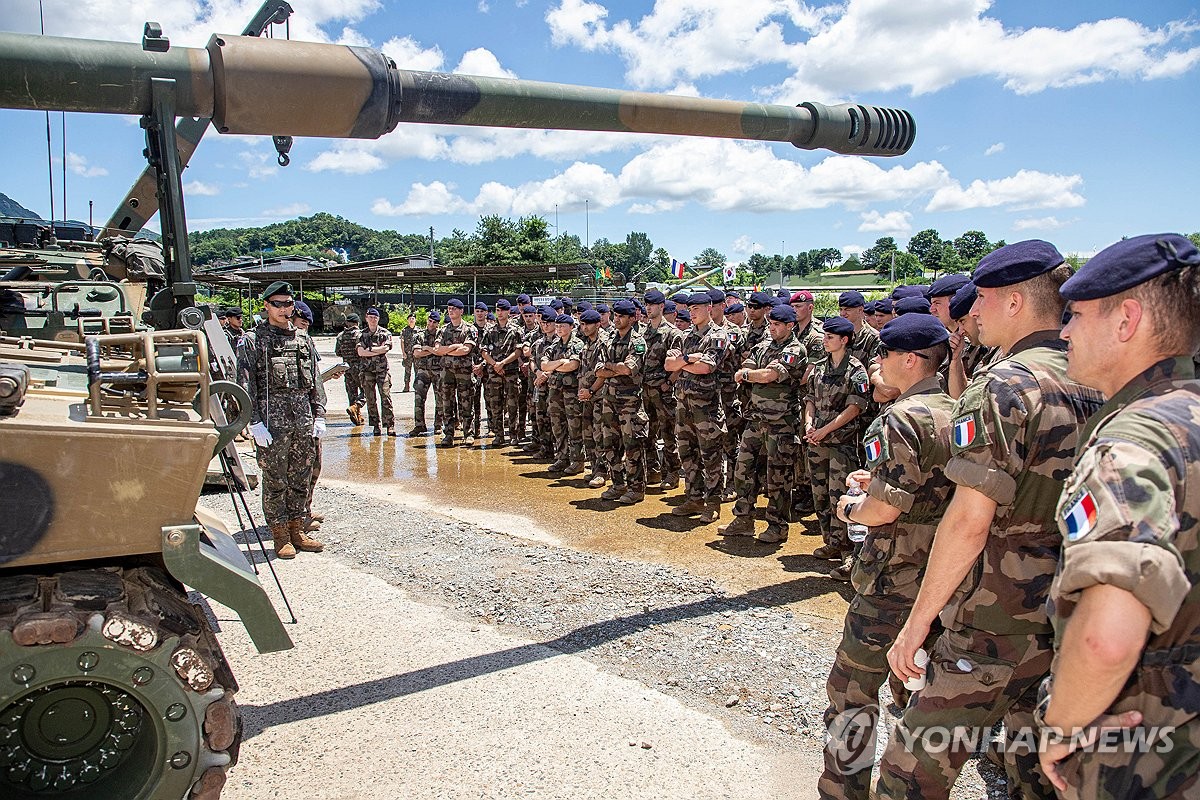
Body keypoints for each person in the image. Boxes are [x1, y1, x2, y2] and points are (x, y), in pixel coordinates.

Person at [880, 240, 1106, 800]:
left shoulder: (1007, 384)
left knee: (910, 775)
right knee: (1034, 775)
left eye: (980, 299)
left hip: (993, 619)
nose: (970, 312)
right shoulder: (1098, 377)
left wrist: (916, 625)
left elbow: (969, 521)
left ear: (1013, 302)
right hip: (1066, 613)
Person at [1035, 233, 1200, 798]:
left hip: (1149, 750)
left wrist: (1063, 726)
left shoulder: (1133, 443)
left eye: (1075, 315)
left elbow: (1108, 638)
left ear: (1125, 319)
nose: (1063, 332)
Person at [818, 313, 956, 799]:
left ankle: (844, 788)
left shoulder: (900, 417)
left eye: (885, 355)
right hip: (941, 572)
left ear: (911, 360)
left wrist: (854, 505)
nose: (877, 363)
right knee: (926, 686)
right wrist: (873, 482)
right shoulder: (954, 410)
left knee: (851, 690)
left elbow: (882, 509)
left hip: (891, 576)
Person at [236, 281, 325, 559]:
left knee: (301, 475)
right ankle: (280, 535)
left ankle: (298, 529)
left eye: (288, 304)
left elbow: (315, 380)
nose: (284, 309)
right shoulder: (253, 340)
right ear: (266, 306)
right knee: (276, 479)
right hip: (272, 423)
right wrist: (253, 422)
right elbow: (245, 382)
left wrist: (319, 413)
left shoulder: (303, 339)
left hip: (302, 419)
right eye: (278, 304)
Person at [718, 302, 806, 543]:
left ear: (790, 325)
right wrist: (750, 372)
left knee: (777, 476)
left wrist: (748, 375)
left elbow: (769, 375)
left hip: (781, 423)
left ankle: (777, 526)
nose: (773, 328)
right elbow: (747, 364)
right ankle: (743, 519)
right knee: (743, 469)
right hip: (755, 419)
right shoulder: (764, 346)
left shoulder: (796, 350)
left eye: (777, 325)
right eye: (771, 324)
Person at [805, 316, 871, 576]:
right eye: (824, 336)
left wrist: (824, 430)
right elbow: (809, 399)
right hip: (817, 441)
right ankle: (831, 542)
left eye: (830, 337)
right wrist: (809, 424)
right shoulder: (819, 367)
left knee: (841, 497)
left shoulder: (856, 370)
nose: (825, 340)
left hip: (841, 444)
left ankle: (848, 552)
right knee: (820, 495)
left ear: (844, 340)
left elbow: (854, 408)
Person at [665, 292, 729, 523]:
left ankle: (712, 503)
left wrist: (682, 363)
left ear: (709, 308)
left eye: (697, 309)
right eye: (690, 309)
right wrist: (690, 358)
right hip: (683, 405)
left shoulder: (718, 336)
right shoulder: (685, 336)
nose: (692, 312)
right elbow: (668, 364)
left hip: (707, 408)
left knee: (711, 456)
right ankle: (693, 498)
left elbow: (707, 368)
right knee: (687, 454)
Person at [594, 299, 648, 504]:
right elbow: (598, 370)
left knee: (632, 445)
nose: (617, 319)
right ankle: (618, 484)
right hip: (609, 400)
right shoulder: (608, 339)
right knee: (610, 443)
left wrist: (610, 368)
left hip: (630, 402)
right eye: (615, 316)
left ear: (632, 318)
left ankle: (636, 488)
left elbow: (628, 369)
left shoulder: (638, 342)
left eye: (622, 316)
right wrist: (615, 367)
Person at [290, 301, 328, 536]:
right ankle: (294, 518)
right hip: (291, 416)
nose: (304, 327)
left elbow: (312, 378)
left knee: (314, 464)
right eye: (301, 322)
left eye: (306, 325)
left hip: (311, 413)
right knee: (297, 469)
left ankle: (306, 508)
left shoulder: (306, 341)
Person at [641, 289, 683, 489]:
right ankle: (653, 471)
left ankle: (672, 473)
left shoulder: (673, 334)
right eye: (646, 304)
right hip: (645, 391)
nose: (648, 308)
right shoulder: (643, 332)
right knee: (647, 433)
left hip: (663, 392)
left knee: (668, 435)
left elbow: (678, 364)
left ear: (661, 306)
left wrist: (670, 382)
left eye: (652, 304)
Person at [431, 298, 478, 446]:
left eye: (454, 309)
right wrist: (455, 346)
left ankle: (468, 434)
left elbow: (466, 350)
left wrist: (448, 350)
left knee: (466, 404)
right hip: (447, 372)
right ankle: (448, 434)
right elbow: (437, 350)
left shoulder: (470, 329)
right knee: (447, 404)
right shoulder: (443, 330)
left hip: (464, 372)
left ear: (461, 311)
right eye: (449, 309)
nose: (451, 311)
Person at [543, 314, 585, 475]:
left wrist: (554, 366)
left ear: (571, 327)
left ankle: (577, 460)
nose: (559, 329)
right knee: (557, 425)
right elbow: (544, 365)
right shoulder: (554, 345)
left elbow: (573, 365)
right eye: (558, 326)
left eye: (563, 326)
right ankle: (562, 457)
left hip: (571, 391)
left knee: (574, 426)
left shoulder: (577, 344)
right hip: (555, 390)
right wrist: (560, 363)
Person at [481, 298, 522, 445]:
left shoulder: (515, 330)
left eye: (502, 310)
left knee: (512, 405)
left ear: (508, 312)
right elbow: (483, 351)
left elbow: (518, 351)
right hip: (494, 373)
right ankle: (498, 435)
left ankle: (513, 435)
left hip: (510, 372)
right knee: (495, 404)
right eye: (498, 310)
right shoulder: (490, 330)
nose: (500, 313)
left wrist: (502, 363)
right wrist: (495, 365)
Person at [576, 309, 607, 484]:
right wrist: (582, 391)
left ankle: (602, 472)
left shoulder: (603, 343)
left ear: (598, 324)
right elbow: (584, 370)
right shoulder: (587, 343)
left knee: (599, 434)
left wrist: (591, 391)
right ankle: (595, 468)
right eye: (582, 324)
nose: (584, 327)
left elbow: (602, 373)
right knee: (588, 434)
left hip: (599, 395)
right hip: (587, 396)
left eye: (588, 324)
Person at [356, 307, 395, 437]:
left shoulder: (385, 333)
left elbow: (386, 348)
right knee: (370, 399)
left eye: (375, 317)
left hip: (382, 371)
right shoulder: (361, 334)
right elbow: (360, 352)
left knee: (386, 397)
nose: (373, 320)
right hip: (367, 371)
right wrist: (376, 350)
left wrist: (370, 350)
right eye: (370, 317)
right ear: (366, 318)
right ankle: (376, 425)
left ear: (378, 319)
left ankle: (390, 425)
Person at [409, 310, 443, 436]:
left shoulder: (441, 335)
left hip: (438, 370)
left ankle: (438, 425)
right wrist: (434, 350)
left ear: (437, 324)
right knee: (419, 398)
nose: (431, 324)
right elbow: (417, 353)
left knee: (439, 399)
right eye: (430, 321)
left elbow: (441, 351)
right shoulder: (419, 335)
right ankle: (419, 425)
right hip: (422, 371)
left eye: (434, 322)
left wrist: (427, 349)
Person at [334, 313, 365, 426]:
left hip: (346, 367)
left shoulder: (340, 336)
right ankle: (356, 407)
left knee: (351, 393)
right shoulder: (360, 335)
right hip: (359, 367)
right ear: (357, 323)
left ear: (347, 323)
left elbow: (338, 352)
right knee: (365, 391)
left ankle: (357, 417)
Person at [400, 313, 417, 392]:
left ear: (415, 320)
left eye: (413, 318)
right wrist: (403, 353)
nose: (411, 320)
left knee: (418, 371)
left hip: (416, 354)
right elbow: (402, 342)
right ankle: (406, 386)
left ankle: (418, 386)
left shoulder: (419, 330)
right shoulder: (404, 330)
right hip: (408, 354)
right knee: (407, 371)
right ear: (407, 320)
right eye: (410, 319)